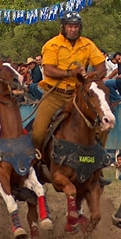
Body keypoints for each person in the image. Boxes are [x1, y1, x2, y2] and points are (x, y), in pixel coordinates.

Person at [31, 11, 107, 151]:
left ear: (80, 28)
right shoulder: (52, 44)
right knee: (38, 133)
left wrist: (93, 76)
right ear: (63, 27)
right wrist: (71, 73)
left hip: (78, 95)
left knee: (104, 123)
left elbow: (102, 67)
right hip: (54, 95)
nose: (73, 29)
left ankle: (97, 157)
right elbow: (48, 70)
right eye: (70, 26)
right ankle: (37, 162)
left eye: (76, 26)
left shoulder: (87, 44)